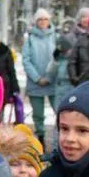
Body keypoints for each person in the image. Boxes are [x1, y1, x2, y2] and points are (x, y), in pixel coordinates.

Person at [22, 8, 59, 137]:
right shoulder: (30, 39)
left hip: (53, 81)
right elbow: (26, 60)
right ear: (36, 22)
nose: (43, 21)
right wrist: (37, 78)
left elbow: (58, 58)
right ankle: (41, 136)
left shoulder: (56, 37)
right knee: (38, 114)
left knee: (60, 111)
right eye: (40, 19)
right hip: (35, 82)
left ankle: (59, 137)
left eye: (45, 19)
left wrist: (49, 76)